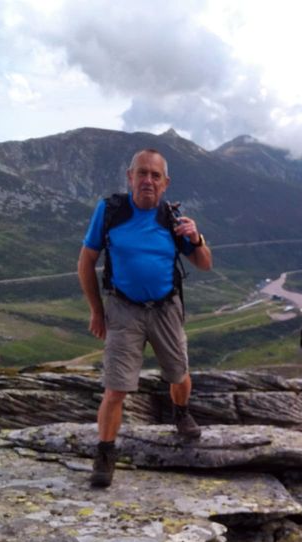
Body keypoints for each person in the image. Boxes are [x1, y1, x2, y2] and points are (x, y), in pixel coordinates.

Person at [78, 148, 212, 488]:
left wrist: (196, 239)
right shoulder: (110, 211)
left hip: (166, 307)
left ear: (165, 183)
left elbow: (204, 263)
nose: (148, 180)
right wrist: (96, 311)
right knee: (115, 388)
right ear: (130, 177)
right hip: (123, 309)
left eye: (155, 175)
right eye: (142, 173)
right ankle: (105, 452)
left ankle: (180, 412)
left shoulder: (173, 219)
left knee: (178, 374)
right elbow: (86, 261)